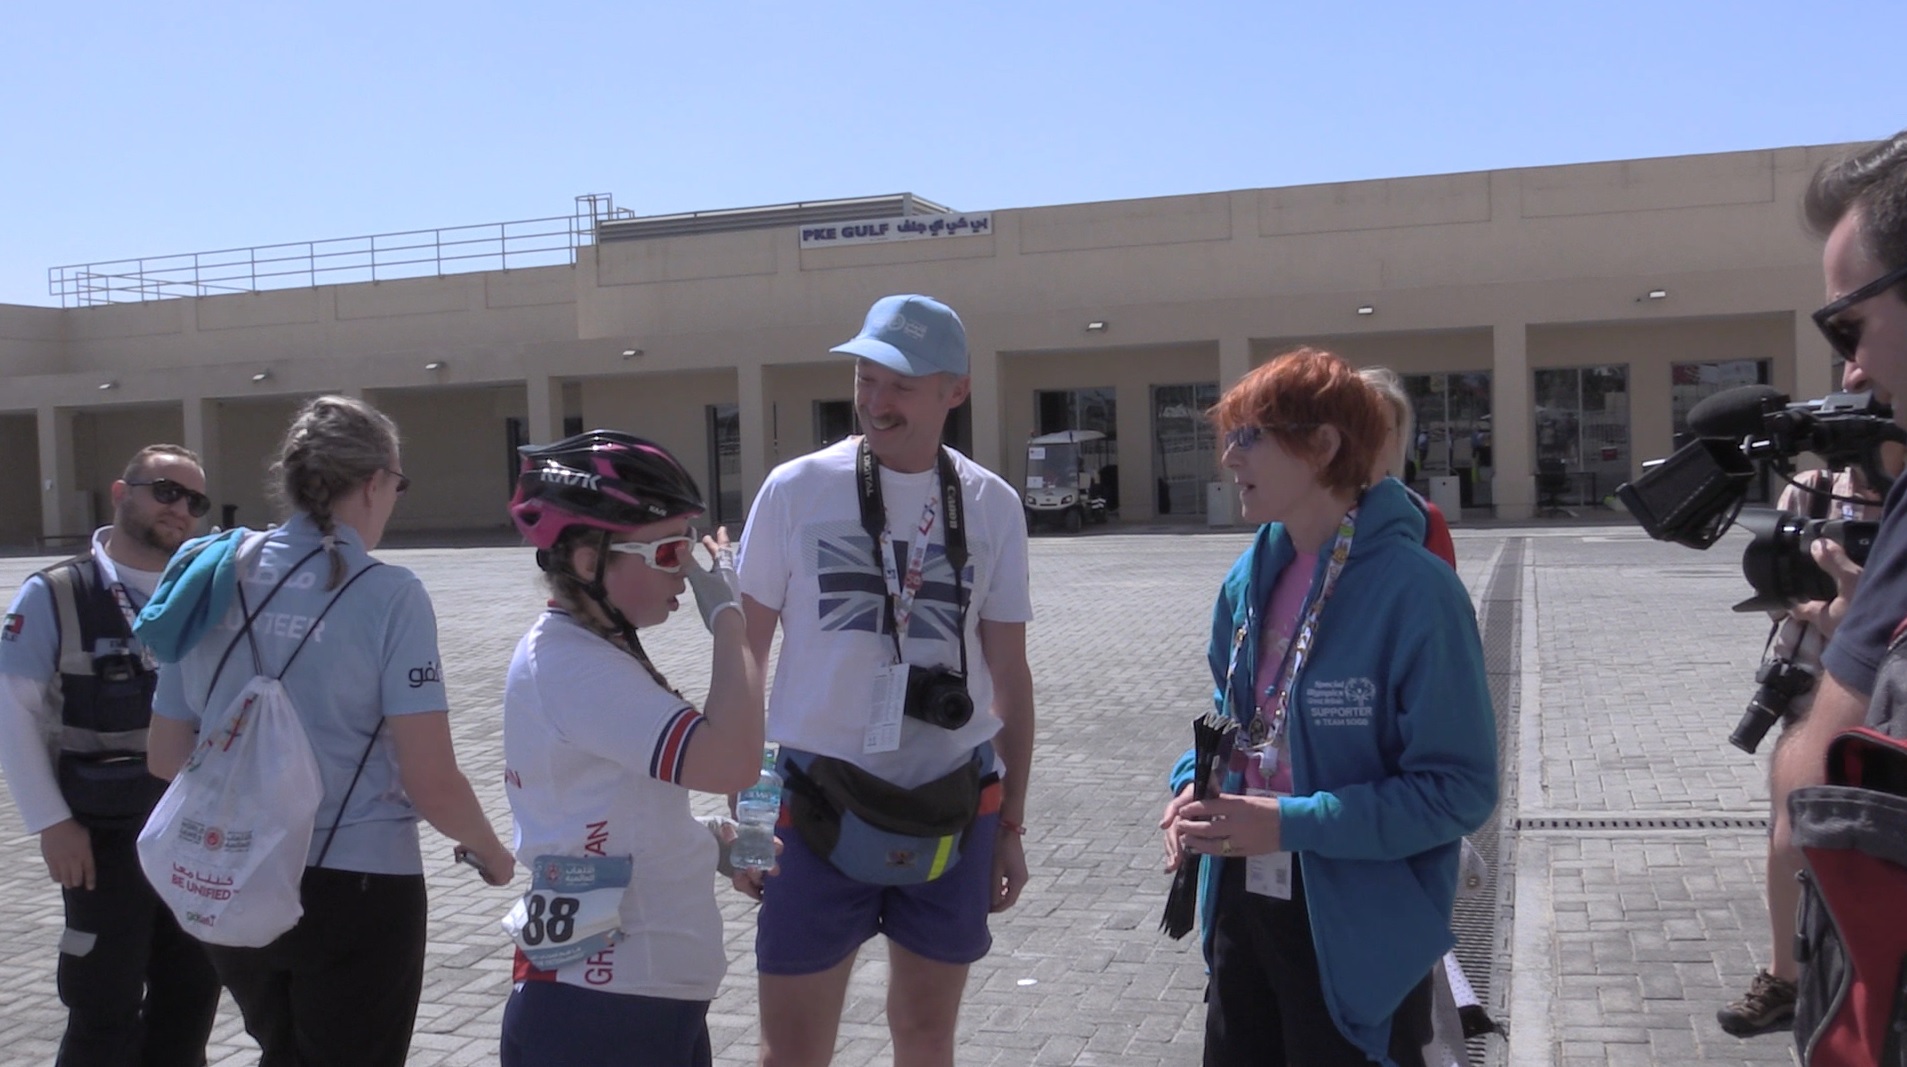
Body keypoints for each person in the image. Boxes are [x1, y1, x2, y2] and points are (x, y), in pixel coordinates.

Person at [143, 395, 515, 1067]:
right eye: (397, 483)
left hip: (230, 875)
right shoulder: (390, 595)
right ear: (373, 482)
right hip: (358, 886)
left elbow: (167, 755)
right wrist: (490, 849)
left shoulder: (208, 569)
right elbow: (431, 780)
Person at [1159, 347, 1498, 1067]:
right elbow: (1231, 722)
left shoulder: (1418, 594)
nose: (1227, 456)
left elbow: (1458, 790)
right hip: (1243, 906)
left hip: (1356, 929)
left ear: (1321, 445)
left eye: (1248, 435)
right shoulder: (1248, 576)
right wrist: (1195, 784)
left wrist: (1287, 822)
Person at [732, 293, 1036, 1067]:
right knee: (790, 1051)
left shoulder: (991, 505)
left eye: (900, 381)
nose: (875, 398)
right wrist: (745, 812)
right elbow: (745, 657)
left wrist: (1009, 825)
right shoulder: (795, 488)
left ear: (955, 390)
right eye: (866, 376)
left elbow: (1009, 674)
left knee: (927, 1037)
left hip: (951, 803)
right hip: (816, 802)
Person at [496, 430, 766, 1067]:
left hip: (624, 997)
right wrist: (731, 622)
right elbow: (733, 760)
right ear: (590, 560)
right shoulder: (576, 667)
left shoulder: (582, 651)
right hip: (609, 1007)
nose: (687, 574)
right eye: (671, 552)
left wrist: (708, 844)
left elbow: (600, 815)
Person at [0, 444, 221, 1067]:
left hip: (193, 835)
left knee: (191, 999)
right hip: (99, 842)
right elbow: (12, 713)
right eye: (166, 491)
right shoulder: (58, 594)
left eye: (194, 501)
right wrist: (51, 823)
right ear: (122, 493)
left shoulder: (208, 589)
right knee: (102, 1006)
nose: (181, 509)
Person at [1717, 360, 1885, 1039]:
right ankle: (1784, 975)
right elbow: (1777, 591)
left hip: (1885, 705)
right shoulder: (1808, 494)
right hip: (1811, 689)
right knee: (1787, 833)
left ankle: (1866, 979)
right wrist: (1821, 613)